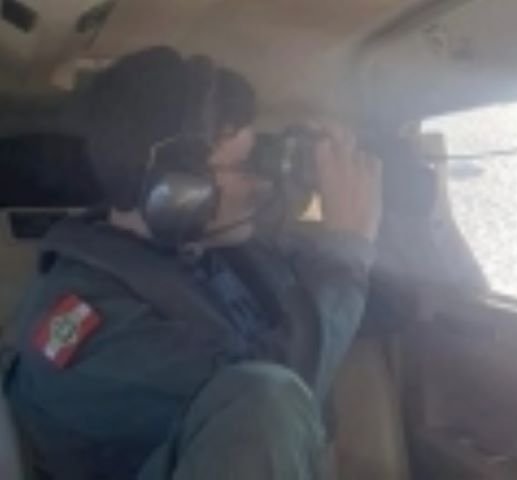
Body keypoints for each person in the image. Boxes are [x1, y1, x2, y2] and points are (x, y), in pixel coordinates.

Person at [3, 46, 382, 480]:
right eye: (245, 166)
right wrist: (346, 251)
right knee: (265, 398)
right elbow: (272, 409)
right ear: (178, 191)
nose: (261, 184)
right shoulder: (87, 327)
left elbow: (373, 307)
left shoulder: (218, 253)